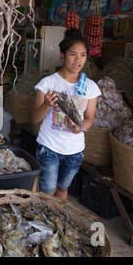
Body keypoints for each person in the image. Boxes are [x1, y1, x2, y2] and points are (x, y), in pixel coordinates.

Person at [31, 28, 101, 200]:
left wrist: (80, 128)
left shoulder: (90, 87)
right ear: (62, 56)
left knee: (62, 190)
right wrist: (47, 104)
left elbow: (90, 118)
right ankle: (44, 225)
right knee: (47, 192)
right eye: (73, 54)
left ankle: (58, 224)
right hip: (49, 147)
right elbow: (34, 118)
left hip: (75, 150)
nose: (78, 60)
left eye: (83, 55)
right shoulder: (48, 83)